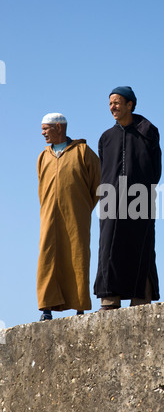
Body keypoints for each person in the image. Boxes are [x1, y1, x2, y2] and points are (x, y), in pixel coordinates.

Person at [94, 86, 162, 310]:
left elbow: (155, 169)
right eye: (110, 103)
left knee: (140, 245)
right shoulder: (106, 138)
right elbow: (104, 170)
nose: (113, 107)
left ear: (130, 105)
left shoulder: (148, 131)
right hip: (111, 200)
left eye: (117, 102)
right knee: (108, 247)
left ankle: (141, 297)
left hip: (140, 199)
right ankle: (110, 298)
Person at [37, 112, 100, 320]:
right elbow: (41, 188)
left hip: (77, 216)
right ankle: (46, 307)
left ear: (59, 128)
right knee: (47, 256)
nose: (43, 133)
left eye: (46, 129)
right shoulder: (43, 156)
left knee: (78, 255)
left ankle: (79, 306)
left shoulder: (83, 152)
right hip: (48, 217)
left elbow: (97, 186)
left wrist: (81, 208)